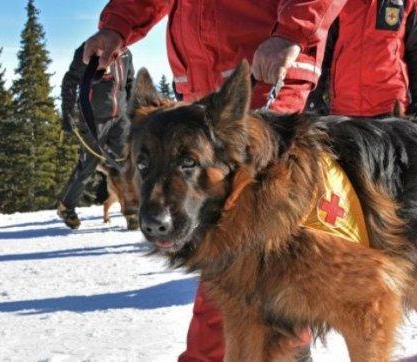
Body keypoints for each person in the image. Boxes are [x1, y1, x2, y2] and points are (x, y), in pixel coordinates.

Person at [82, 1, 346, 360]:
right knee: (221, 246)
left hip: (264, 69)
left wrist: (293, 31)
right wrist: (118, 25)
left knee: (249, 245)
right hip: (200, 82)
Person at [56, 43, 135, 230]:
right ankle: (66, 206)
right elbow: (70, 80)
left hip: (119, 117)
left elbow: (129, 82)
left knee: (128, 163)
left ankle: (132, 211)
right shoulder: (87, 51)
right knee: (88, 164)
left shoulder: (126, 54)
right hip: (92, 118)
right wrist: (67, 112)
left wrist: (131, 110)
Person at [315, 0, 417, 118]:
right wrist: (314, 94)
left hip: (391, 108)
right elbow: (322, 47)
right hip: (344, 106)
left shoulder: (411, 2)